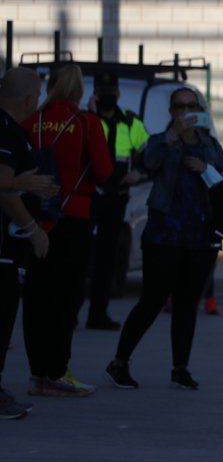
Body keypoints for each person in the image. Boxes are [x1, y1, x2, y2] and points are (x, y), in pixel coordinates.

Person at [107, 87, 223, 390]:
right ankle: (119, 361)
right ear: (172, 111)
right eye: (179, 106)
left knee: (188, 304)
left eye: (191, 105)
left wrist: (206, 169)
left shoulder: (210, 145)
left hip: (200, 236)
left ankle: (180, 367)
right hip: (164, 235)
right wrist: (173, 136)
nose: (185, 111)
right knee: (152, 300)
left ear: (200, 109)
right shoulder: (162, 141)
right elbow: (146, 163)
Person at [21, 64, 113, 397]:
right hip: (72, 218)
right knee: (66, 297)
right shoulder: (87, 123)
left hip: (31, 219)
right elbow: (103, 172)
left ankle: (37, 374)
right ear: (78, 89)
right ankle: (58, 371)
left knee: (35, 297)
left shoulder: (31, 122)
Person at [0, 68, 50, 419]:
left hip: (8, 246)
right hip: (5, 247)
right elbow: (2, 186)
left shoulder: (13, 131)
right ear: (30, 99)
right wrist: (33, 228)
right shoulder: (5, 131)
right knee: (2, 319)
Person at [85, 73, 149, 330]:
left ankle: (97, 314)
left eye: (111, 91)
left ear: (118, 95)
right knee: (79, 257)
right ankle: (69, 315)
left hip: (116, 198)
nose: (107, 96)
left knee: (106, 259)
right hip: (89, 196)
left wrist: (140, 172)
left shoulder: (130, 122)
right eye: (102, 91)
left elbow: (149, 151)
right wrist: (91, 115)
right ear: (95, 95)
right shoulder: (87, 120)